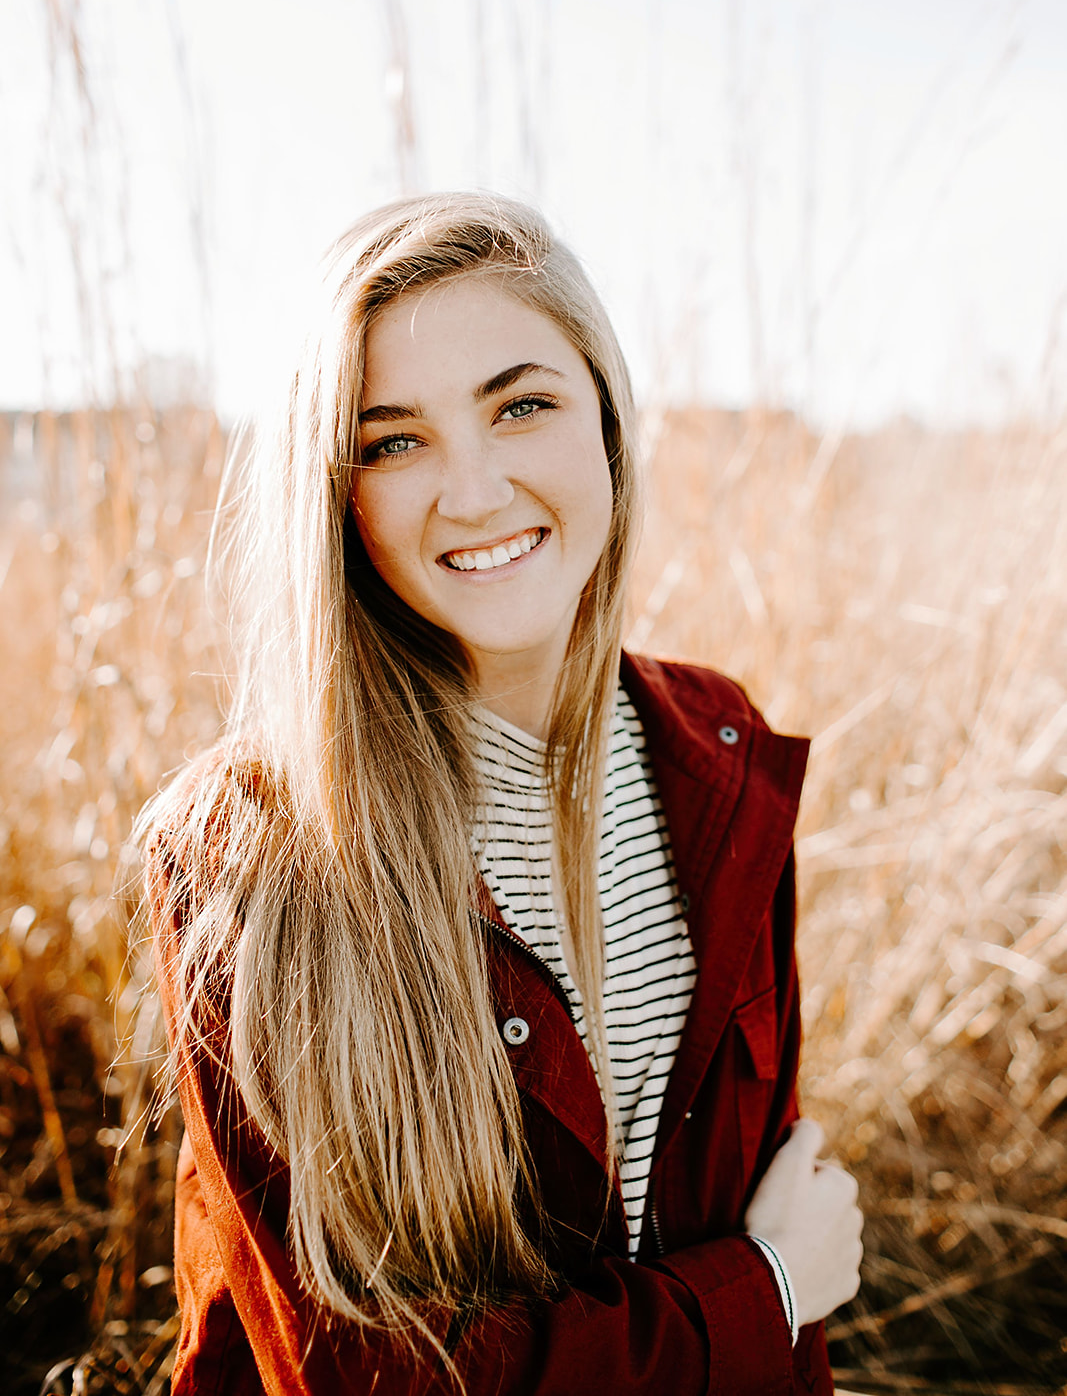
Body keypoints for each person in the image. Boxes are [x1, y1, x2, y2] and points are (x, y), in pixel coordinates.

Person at [139, 192, 863, 1396]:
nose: (471, 493)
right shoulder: (251, 850)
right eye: (392, 439)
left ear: (606, 423)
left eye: (519, 406)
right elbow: (373, 1374)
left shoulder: (718, 755)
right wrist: (766, 1289)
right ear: (336, 491)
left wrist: (772, 1309)